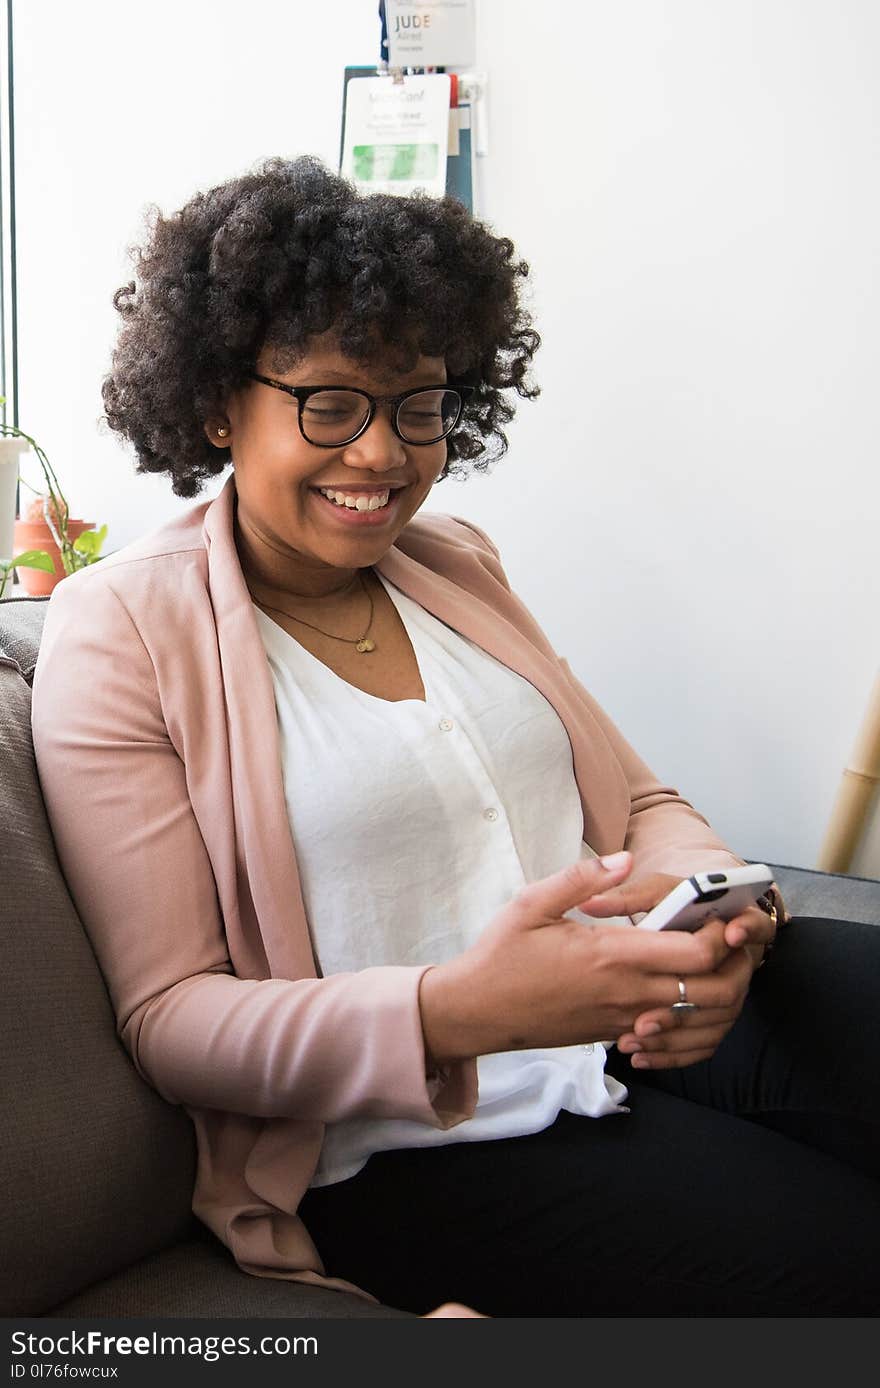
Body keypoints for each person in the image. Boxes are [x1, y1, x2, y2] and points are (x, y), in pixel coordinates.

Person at [31, 155, 880, 1318]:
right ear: (219, 401)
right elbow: (173, 1017)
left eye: (419, 404)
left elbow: (635, 801)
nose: (383, 453)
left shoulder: (456, 561)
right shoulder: (123, 628)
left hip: (628, 1024)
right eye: (330, 402)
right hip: (412, 1137)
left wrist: (727, 911)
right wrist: (458, 1010)